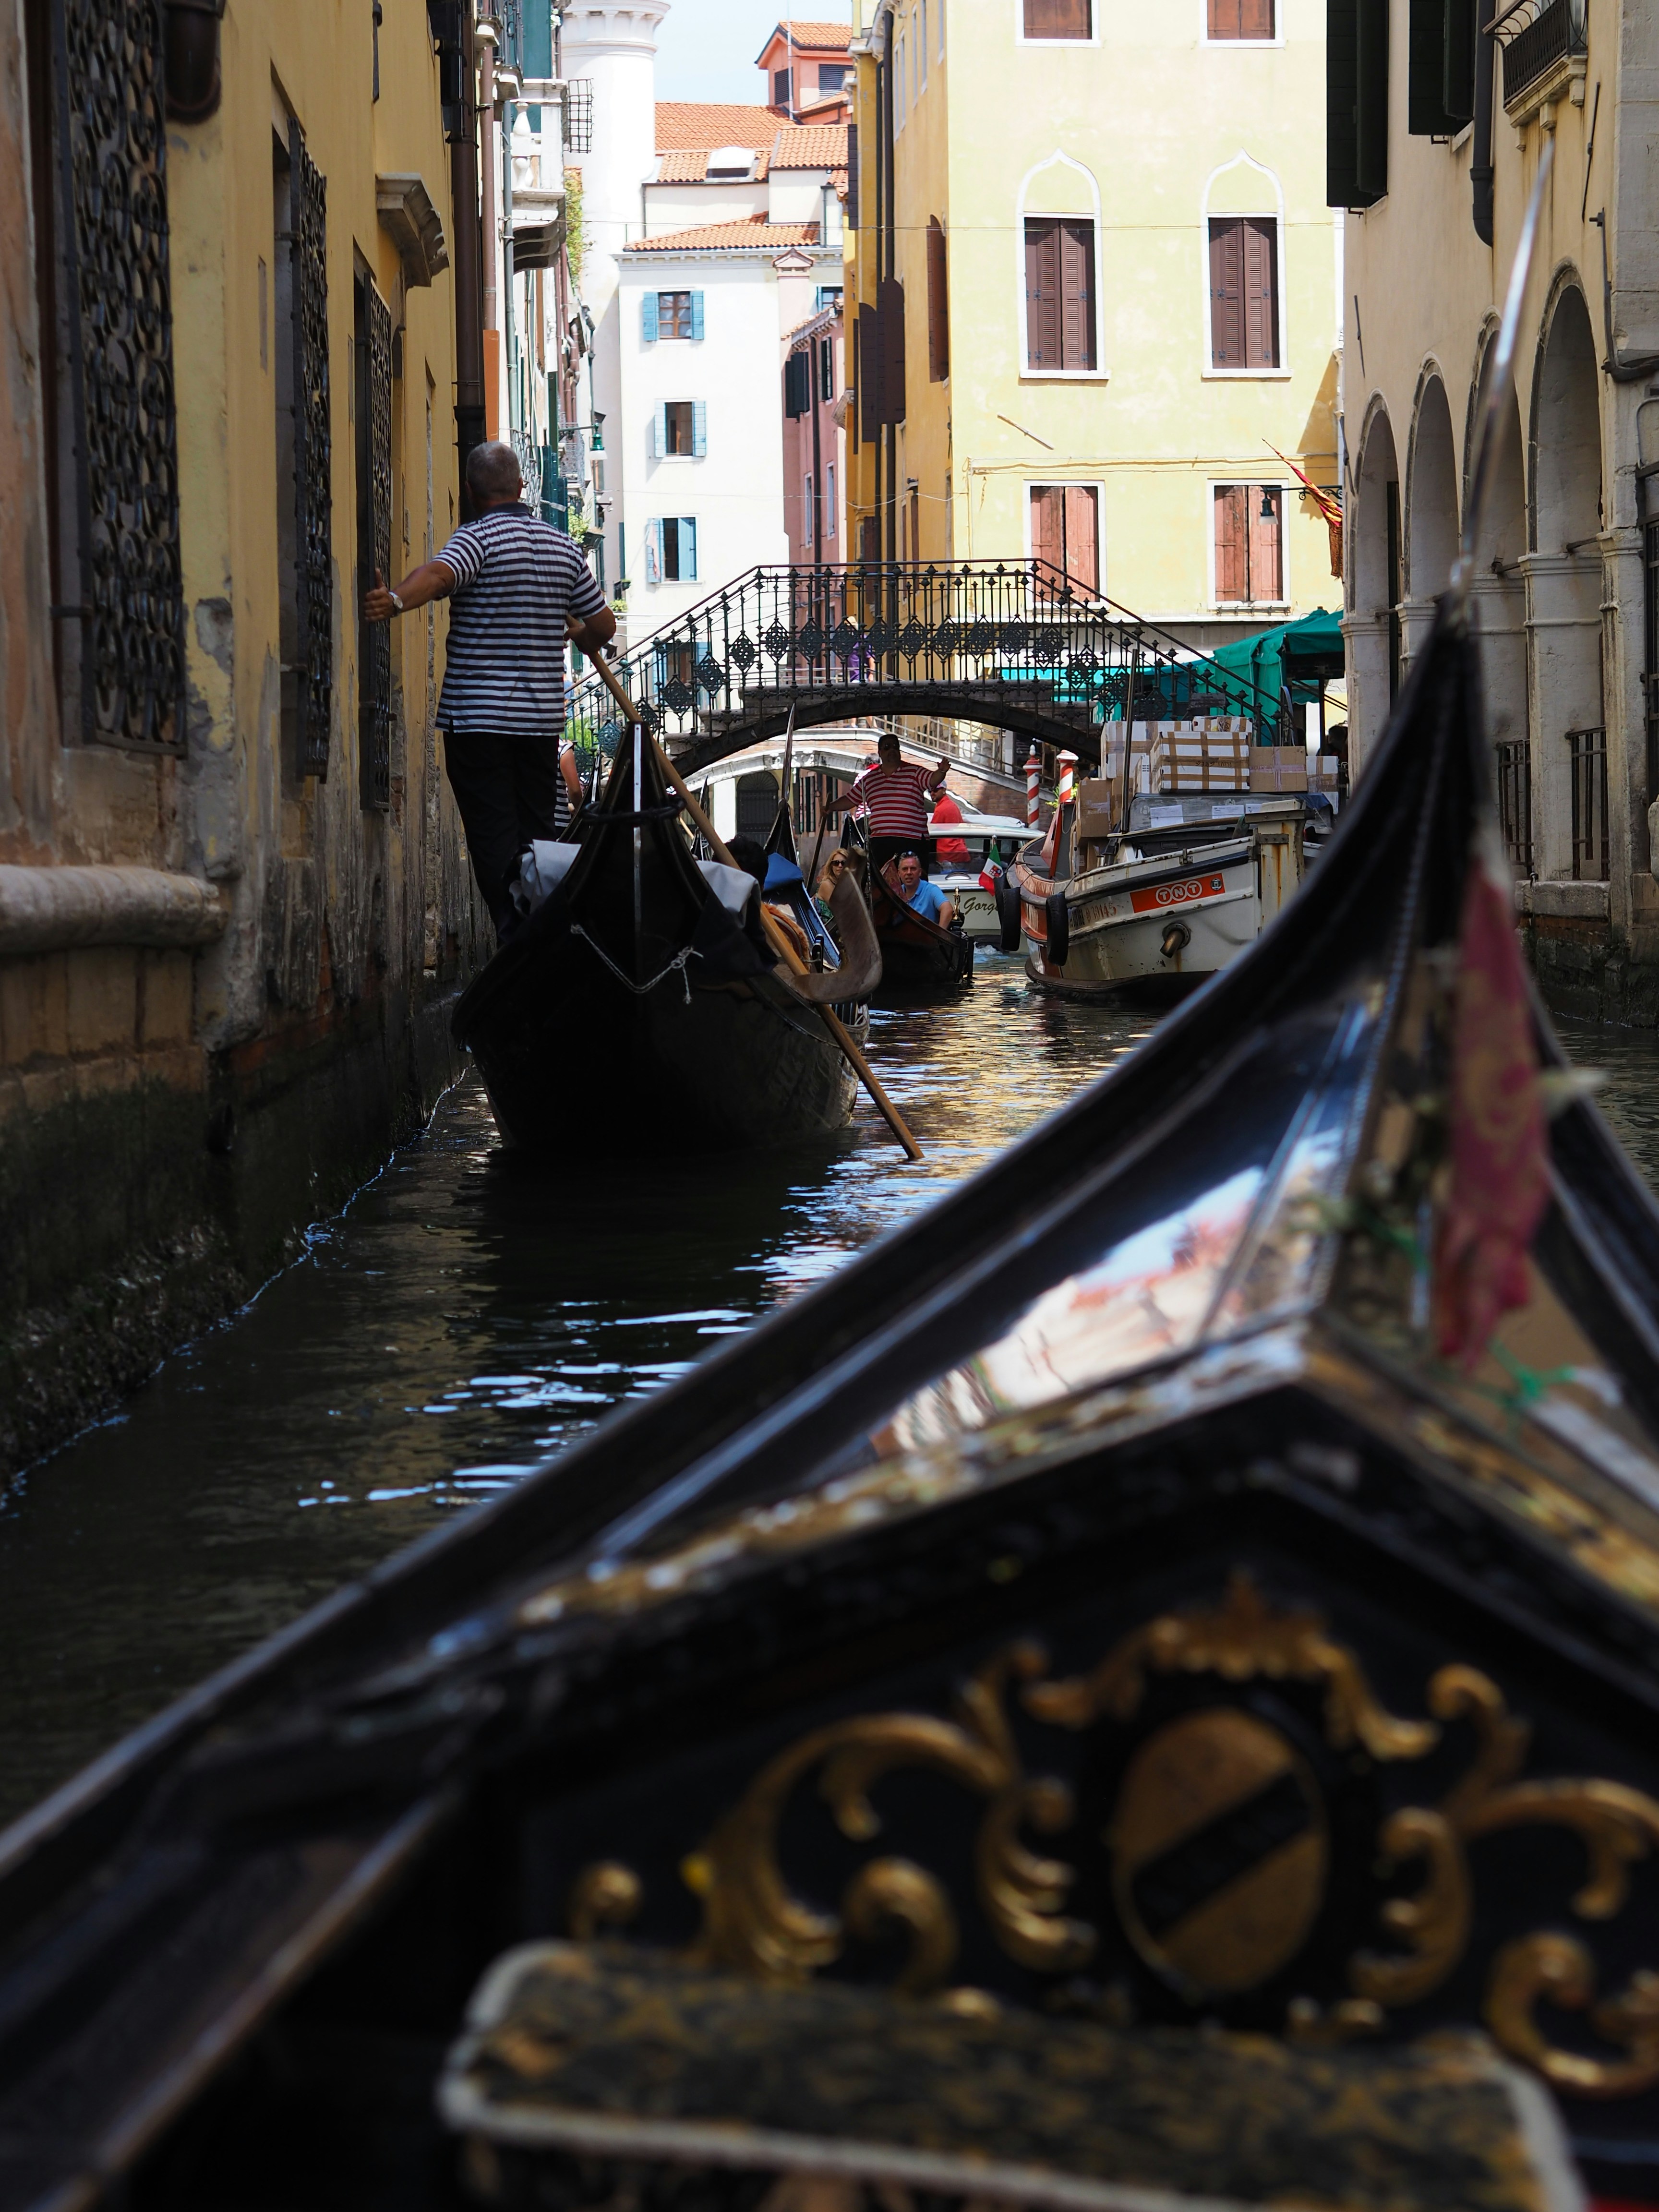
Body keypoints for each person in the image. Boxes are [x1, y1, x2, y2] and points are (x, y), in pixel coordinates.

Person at [362, 439, 616, 936]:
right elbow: (603, 624)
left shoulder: (476, 539)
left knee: (495, 842)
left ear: (474, 492)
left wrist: (394, 600)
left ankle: (519, 941)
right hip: (538, 727)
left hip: (477, 724)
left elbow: (438, 576)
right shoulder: (564, 549)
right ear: (522, 487)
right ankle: (545, 940)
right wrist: (582, 633)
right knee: (539, 841)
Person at [849, 733, 949, 873]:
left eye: (895, 747)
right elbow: (850, 800)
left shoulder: (914, 772)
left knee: (902, 877)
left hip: (901, 837)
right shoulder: (869, 778)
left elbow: (933, 779)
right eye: (888, 747)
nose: (892, 750)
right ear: (880, 754)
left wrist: (942, 771)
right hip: (884, 837)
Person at [892, 850, 955, 930]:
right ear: (899, 874)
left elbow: (948, 909)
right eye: (905, 869)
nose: (909, 873)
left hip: (926, 940)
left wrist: (940, 936)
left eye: (913, 869)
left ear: (920, 872)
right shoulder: (896, 893)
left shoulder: (931, 890)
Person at [929, 787, 971, 868]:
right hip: (960, 853)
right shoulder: (952, 805)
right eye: (930, 791)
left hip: (949, 857)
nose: (932, 793)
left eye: (935, 790)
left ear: (944, 790)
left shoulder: (941, 809)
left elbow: (931, 832)